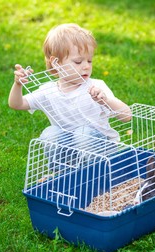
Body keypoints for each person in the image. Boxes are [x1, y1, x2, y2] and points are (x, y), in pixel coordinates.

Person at [8, 23, 131, 170]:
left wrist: (105, 100)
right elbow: (17, 104)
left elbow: (127, 116)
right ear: (57, 63)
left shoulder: (96, 87)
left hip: (102, 152)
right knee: (50, 134)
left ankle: (95, 175)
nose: (86, 66)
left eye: (89, 61)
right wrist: (18, 84)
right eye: (78, 61)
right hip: (71, 152)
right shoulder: (48, 91)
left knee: (83, 133)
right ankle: (64, 175)